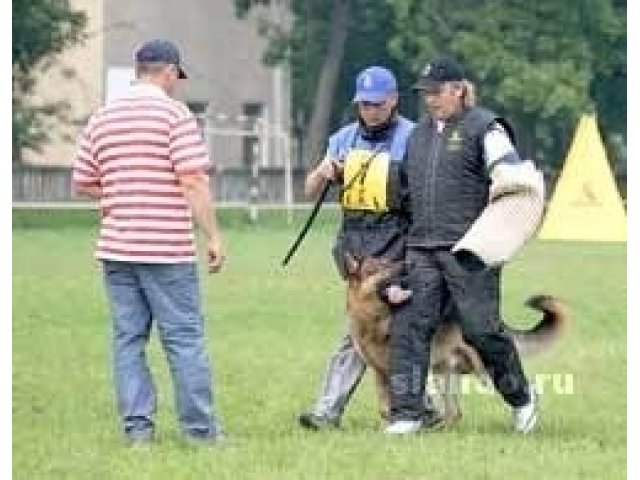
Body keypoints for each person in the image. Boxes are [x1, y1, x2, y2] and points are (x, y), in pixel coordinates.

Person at [72, 39, 225, 445]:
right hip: (166, 249)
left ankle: (138, 433)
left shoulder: (103, 116)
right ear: (170, 71)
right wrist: (213, 235)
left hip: (117, 248)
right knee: (184, 339)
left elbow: (83, 182)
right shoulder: (175, 115)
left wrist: (118, 195)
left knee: (128, 340)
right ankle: (200, 432)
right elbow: (192, 178)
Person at [385, 56, 545, 435]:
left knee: (480, 331)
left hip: (470, 250)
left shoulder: (485, 128)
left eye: (436, 92)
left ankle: (522, 398)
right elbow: (404, 196)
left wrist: (510, 207)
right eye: (424, 94)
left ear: (458, 89)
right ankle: (407, 414)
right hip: (421, 248)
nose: (429, 100)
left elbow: (510, 176)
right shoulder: (417, 136)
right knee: (410, 326)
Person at [299, 66, 442, 431]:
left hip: (398, 253)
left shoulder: (416, 137)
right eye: (364, 104)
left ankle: (336, 410)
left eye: (377, 104)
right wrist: (325, 172)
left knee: (391, 333)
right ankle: (420, 408)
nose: (371, 111)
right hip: (356, 256)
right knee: (361, 333)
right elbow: (309, 190)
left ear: (393, 100)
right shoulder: (343, 139)